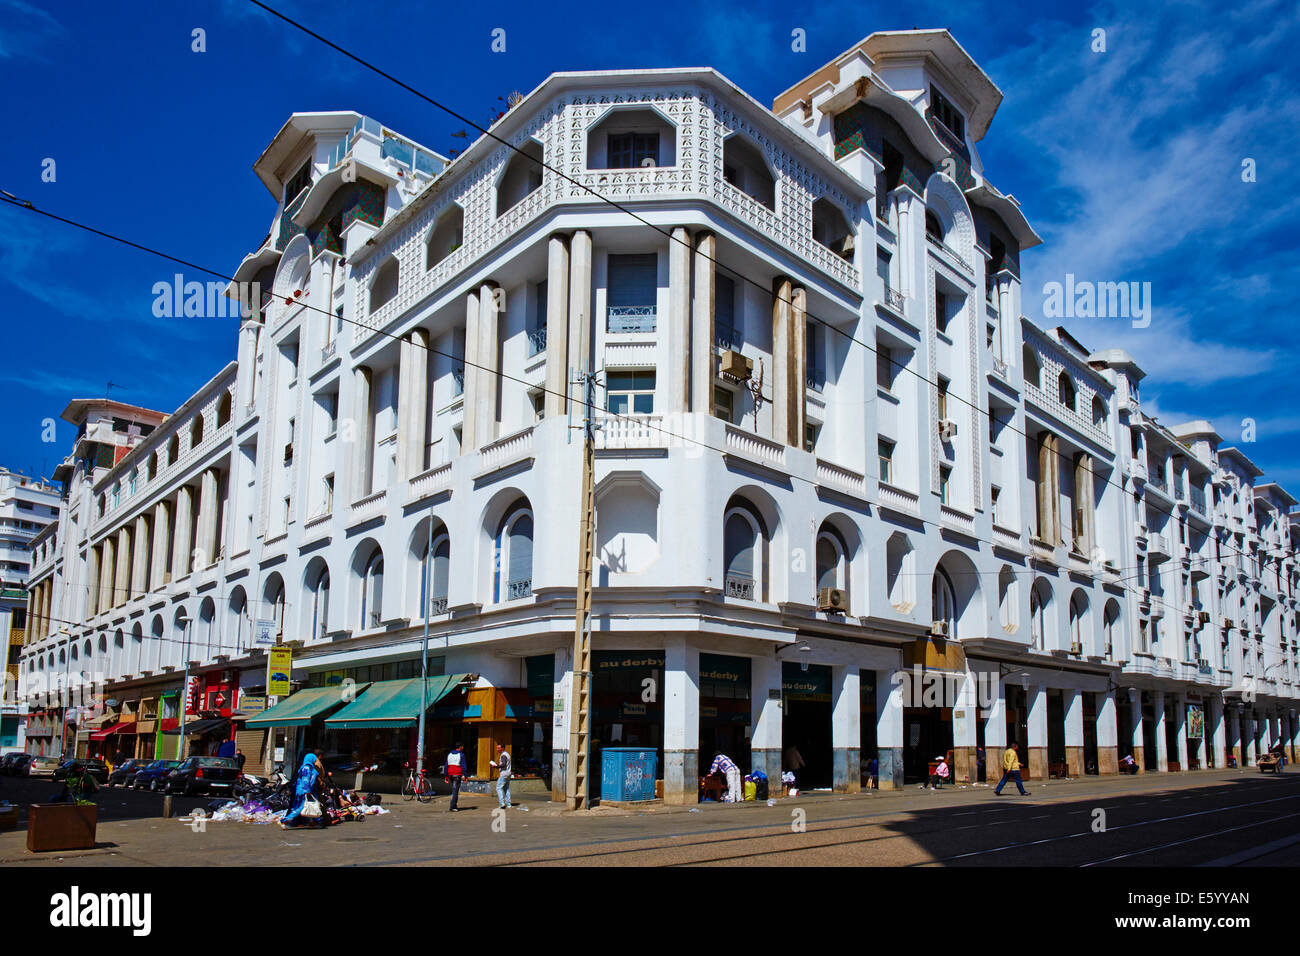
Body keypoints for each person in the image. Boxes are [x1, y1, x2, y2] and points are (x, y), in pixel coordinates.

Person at [281, 751, 325, 829]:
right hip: (304, 791)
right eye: (314, 759)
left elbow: (316, 775)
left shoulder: (311, 767)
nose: (315, 761)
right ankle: (284, 820)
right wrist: (307, 791)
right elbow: (305, 780)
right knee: (301, 807)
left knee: (311, 806)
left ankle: (316, 821)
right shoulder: (306, 767)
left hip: (309, 790)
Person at [442, 743, 468, 812]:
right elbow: (463, 766)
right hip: (457, 774)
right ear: (460, 747)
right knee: (455, 791)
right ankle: (452, 806)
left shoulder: (449, 754)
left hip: (450, 774)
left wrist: (445, 776)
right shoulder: (461, 755)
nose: (463, 748)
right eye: (462, 746)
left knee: (454, 790)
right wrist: (465, 775)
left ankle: (454, 805)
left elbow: (446, 765)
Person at [490, 743, 512, 809]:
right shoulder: (507, 754)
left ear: (502, 748)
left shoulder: (503, 755)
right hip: (508, 773)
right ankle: (508, 804)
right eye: (497, 748)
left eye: (498, 748)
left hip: (504, 773)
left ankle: (502, 803)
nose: (497, 749)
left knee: (498, 788)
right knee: (506, 788)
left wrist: (496, 766)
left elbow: (504, 764)